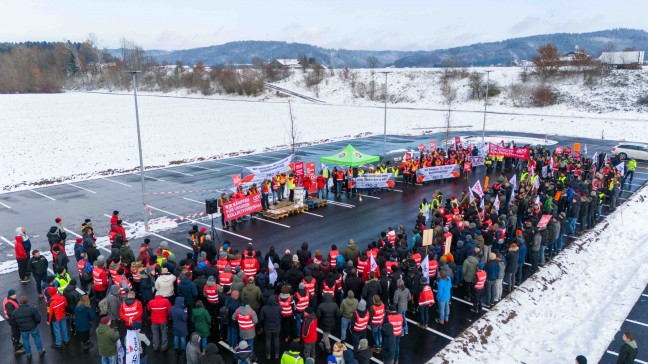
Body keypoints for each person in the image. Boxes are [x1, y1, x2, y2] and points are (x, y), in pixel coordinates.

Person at [260, 294, 282, 360]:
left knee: (268, 340)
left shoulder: (264, 308)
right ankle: (277, 354)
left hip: (267, 327)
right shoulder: (278, 308)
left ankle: (268, 354)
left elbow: (261, 318)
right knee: (276, 339)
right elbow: (282, 311)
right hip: (277, 326)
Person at [4, 289, 24, 354]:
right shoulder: (9, 304)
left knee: (16, 332)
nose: (15, 295)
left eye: (15, 294)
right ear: (10, 295)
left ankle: (17, 343)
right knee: (16, 333)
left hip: (13, 320)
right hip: (13, 320)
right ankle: (16, 348)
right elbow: (11, 314)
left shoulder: (9, 299)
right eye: (13, 294)